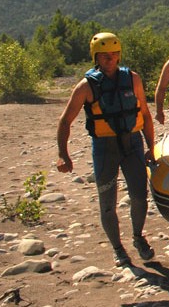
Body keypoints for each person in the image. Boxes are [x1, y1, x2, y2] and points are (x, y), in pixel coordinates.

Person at [56, 32, 156, 267]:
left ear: (119, 55)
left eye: (114, 55)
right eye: (104, 56)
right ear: (96, 58)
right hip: (105, 149)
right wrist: (63, 153)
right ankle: (118, 248)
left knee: (140, 196)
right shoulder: (86, 86)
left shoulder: (133, 79)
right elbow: (64, 121)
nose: (110, 59)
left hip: (132, 145)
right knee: (108, 202)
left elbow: (145, 116)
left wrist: (151, 146)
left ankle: (138, 237)